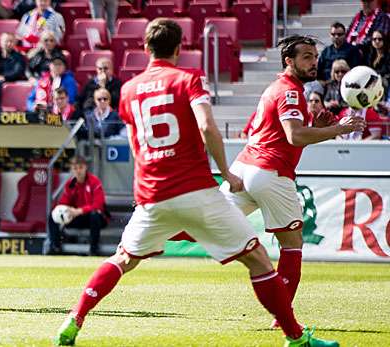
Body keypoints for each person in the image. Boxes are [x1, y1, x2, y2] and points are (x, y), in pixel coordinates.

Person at [55, 20, 341, 347]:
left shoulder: (129, 90)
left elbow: (136, 145)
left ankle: (75, 319)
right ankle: (295, 337)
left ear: (146, 48)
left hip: (152, 194)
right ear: (179, 49)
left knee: (122, 259)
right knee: (258, 259)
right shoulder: (188, 79)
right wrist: (226, 173)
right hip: (195, 189)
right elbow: (207, 127)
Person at [220, 35, 365, 331]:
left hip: (245, 165)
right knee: (292, 245)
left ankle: (155, 227)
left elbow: (285, 135)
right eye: (307, 57)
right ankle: (282, 318)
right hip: (270, 173)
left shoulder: (275, 87)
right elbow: (294, 136)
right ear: (289, 61)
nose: (314, 62)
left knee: (205, 223)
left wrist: (319, 128)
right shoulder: (291, 92)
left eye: (314, 57)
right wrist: (340, 128)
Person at [45, 156, 107, 256]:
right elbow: (63, 203)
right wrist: (67, 209)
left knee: (94, 215)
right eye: (75, 168)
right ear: (72, 169)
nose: (78, 171)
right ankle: (55, 247)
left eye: (80, 167)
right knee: (52, 215)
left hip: (95, 217)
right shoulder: (70, 183)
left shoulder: (94, 181)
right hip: (76, 217)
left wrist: (79, 211)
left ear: (85, 167)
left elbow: (98, 205)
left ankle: (94, 250)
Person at [0, 32, 26, 100]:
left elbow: (18, 71)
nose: (9, 44)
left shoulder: (19, 57)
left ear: (15, 43)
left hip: (10, 81)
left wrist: (4, 77)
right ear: (1, 42)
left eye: (11, 41)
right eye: (6, 41)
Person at [363, 30, 390, 100]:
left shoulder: (388, 54)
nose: (377, 41)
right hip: (371, 79)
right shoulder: (370, 54)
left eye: (380, 39)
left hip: (384, 80)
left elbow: (385, 70)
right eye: (374, 39)